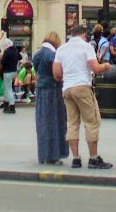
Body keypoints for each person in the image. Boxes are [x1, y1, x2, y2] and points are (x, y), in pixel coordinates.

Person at [52, 24, 114, 170]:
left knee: (72, 123)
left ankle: (75, 158)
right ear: (84, 34)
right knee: (91, 122)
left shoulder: (61, 49)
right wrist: (105, 66)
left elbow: (57, 74)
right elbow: (96, 68)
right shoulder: (86, 47)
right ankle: (93, 158)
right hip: (82, 87)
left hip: (67, 88)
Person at [32, 31, 69, 164]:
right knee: (55, 121)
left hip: (41, 90)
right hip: (53, 90)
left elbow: (36, 71)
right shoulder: (53, 55)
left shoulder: (37, 54)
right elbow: (57, 74)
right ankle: (54, 155)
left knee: (42, 122)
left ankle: (43, 154)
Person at [1, 40, 21, 114]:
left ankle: (11, 106)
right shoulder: (15, 50)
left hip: (7, 71)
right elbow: (20, 57)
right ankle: (6, 105)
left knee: (8, 89)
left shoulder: (7, 51)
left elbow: (2, 62)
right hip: (14, 71)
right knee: (6, 87)